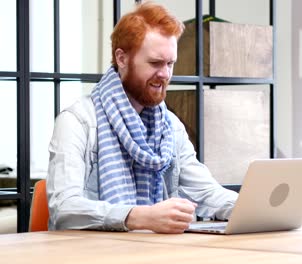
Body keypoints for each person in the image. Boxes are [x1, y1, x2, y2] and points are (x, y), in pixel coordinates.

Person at [46, 2, 238, 234]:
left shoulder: (170, 126)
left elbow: (207, 192)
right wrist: (139, 216)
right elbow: (64, 209)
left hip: (155, 251)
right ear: (122, 59)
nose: (165, 74)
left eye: (170, 64)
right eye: (155, 63)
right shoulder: (77, 121)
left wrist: (252, 209)